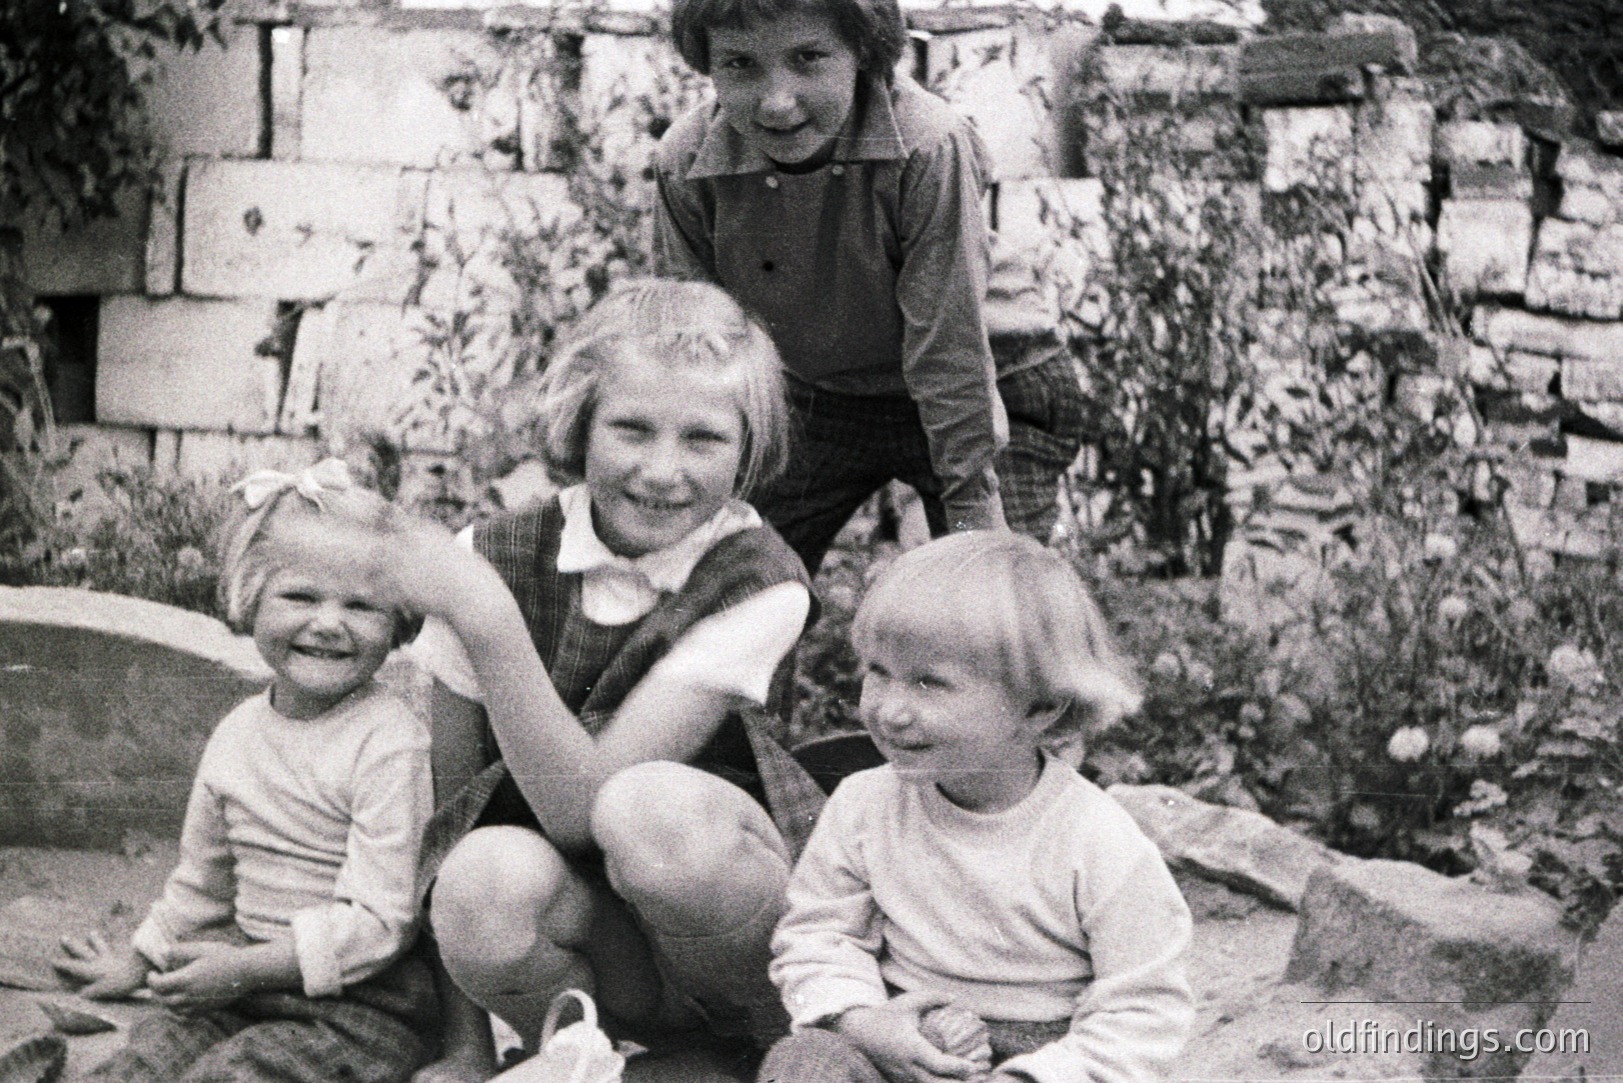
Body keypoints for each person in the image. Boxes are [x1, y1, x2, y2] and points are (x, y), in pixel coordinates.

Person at [399, 279, 826, 1082]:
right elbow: (445, 822)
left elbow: (584, 808)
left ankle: (780, 1048)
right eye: (631, 428)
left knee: (647, 811)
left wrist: (486, 619)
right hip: (604, 935)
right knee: (480, 879)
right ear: (580, 423)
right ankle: (592, 1055)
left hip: (734, 924)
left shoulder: (758, 579)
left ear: (747, 449)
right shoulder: (490, 555)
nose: (662, 471)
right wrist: (465, 1045)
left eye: (703, 438)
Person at [760, 531, 1195, 1083]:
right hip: (901, 1031)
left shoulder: (1097, 839)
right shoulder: (864, 805)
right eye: (879, 672)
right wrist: (861, 1019)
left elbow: (1144, 1007)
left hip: (1047, 1051)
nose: (891, 711)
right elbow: (821, 934)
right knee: (804, 1062)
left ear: (1039, 708)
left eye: (929, 683)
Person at [55, 458, 437, 1083]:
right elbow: (203, 880)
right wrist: (141, 959)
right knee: (137, 1067)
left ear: (398, 620)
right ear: (250, 599)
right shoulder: (238, 734)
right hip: (238, 986)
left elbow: (380, 925)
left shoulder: (389, 743)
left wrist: (243, 971)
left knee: (233, 1076)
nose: (329, 623)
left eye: (362, 605)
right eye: (300, 596)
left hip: (360, 1006)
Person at [652, 0, 1011, 576]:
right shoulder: (687, 161)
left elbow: (951, 344)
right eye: (740, 64)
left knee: (991, 596)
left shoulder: (929, 145)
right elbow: (695, 347)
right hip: (820, 394)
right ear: (708, 64)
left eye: (808, 58)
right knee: (729, 580)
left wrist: (972, 516)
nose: (777, 101)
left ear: (862, 52)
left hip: (989, 381)